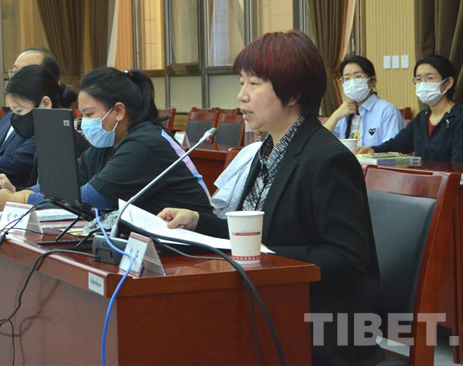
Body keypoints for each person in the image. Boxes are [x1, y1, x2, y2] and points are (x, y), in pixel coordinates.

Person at [158, 30, 384, 365]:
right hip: (270, 304)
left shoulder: (328, 160)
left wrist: (266, 257)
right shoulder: (266, 150)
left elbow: (348, 259)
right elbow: (251, 233)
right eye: (242, 83)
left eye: (254, 84)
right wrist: (196, 222)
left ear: (293, 93)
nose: (241, 96)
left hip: (318, 324)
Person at [0, 67, 211, 217]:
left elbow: (91, 197)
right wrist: (18, 191)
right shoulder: (108, 141)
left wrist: (18, 199)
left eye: (89, 114)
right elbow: (66, 182)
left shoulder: (145, 144)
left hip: (194, 246)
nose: (83, 122)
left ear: (118, 111)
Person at [357, 55, 463, 164]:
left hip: (454, 183)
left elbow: (462, 164)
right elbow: (398, 144)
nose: (423, 84)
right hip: (426, 182)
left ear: (448, 83)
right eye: (418, 79)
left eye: (430, 78)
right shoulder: (422, 118)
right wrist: (373, 150)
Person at [323, 56, 405, 147]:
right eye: (347, 78)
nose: (352, 82)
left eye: (358, 76)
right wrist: (335, 116)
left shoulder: (386, 110)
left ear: (372, 81)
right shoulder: (344, 112)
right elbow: (320, 141)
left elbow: (393, 149)